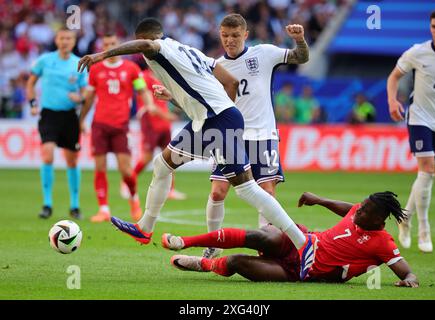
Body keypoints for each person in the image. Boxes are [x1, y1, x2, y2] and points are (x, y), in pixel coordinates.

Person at [78, 18, 312, 271]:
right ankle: (145, 228)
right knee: (163, 163)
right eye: (225, 35)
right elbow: (228, 81)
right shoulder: (187, 50)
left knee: (247, 189)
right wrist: (182, 99)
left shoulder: (157, 47)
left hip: (219, 121)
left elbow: (146, 43)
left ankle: (302, 244)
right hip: (208, 122)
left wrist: (102, 54)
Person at [153, 14, 310, 259]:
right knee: (217, 192)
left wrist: (299, 40)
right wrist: (171, 98)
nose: (230, 40)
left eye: (235, 35)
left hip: (262, 135)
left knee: (266, 191)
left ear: (245, 35)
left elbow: (301, 57)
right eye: (225, 36)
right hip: (228, 135)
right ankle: (213, 245)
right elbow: (202, 105)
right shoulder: (212, 65)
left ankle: (265, 249)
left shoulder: (264, 53)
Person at [161, 191, 419, 288]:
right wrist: (320, 199)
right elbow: (347, 208)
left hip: (301, 271)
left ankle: (203, 264)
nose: (357, 211)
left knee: (238, 263)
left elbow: (408, 273)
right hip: (303, 241)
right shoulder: (360, 212)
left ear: (378, 221)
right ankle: (186, 241)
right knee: (263, 237)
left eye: (364, 212)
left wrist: (409, 281)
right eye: (360, 207)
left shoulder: (382, 242)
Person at [387, 8, 435, 253]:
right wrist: (393, 101)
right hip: (419, 117)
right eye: (434, 27)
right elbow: (394, 77)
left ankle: (405, 218)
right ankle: (424, 229)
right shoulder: (417, 52)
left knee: (429, 175)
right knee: (425, 170)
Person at [79, 33, 154, 223]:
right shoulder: (95, 69)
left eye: (112, 43)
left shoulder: (131, 69)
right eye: (106, 44)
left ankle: (134, 203)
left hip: (121, 125)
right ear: (102, 46)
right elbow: (89, 98)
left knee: (126, 170)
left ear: (118, 45)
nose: (109, 47)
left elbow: (142, 89)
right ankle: (103, 209)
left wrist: (149, 105)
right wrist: (81, 120)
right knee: (100, 167)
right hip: (99, 125)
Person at [26, 28, 87, 219]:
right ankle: (47, 204)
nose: (65, 41)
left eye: (68, 38)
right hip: (49, 115)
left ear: (74, 41)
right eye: (62, 38)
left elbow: (86, 92)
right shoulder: (45, 60)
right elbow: (30, 83)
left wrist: (79, 97)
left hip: (70, 116)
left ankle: (75, 205)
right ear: (56, 40)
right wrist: (33, 103)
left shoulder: (79, 63)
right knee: (47, 153)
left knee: (72, 160)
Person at [119, 64, 187, 201]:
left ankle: (170, 190)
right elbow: (150, 107)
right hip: (150, 122)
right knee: (147, 157)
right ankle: (127, 183)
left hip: (163, 123)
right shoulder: (144, 77)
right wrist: (167, 116)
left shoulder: (163, 77)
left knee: (170, 156)